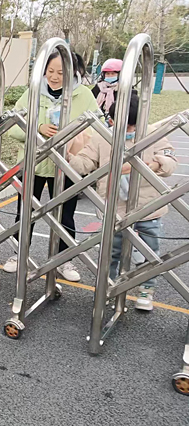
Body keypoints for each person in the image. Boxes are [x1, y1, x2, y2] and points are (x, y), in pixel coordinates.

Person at [68, 93, 177, 311]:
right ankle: (109, 286)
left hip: (148, 207)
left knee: (149, 251)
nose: (128, 130)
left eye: (132, 126)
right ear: (112, 119)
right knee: (112, 251)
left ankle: (146, 290)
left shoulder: (154, 134)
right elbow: (84, 164)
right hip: (114, 208)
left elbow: (171, 162)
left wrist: (149, 165)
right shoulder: (102, 137)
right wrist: (70, 153)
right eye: (123, 125)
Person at [4, 50, 99, 282]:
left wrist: (73, 136)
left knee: (66, 214)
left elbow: (96, 128)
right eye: (50, 71)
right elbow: (12, 125)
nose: (55, 77)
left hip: (67, 165)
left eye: (61, 72)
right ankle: (19, 253)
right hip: (33, 163)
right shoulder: (33, 92)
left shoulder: (84, 95)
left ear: (73, 72)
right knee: (25, 212)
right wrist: (37, 128)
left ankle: (64, 259)